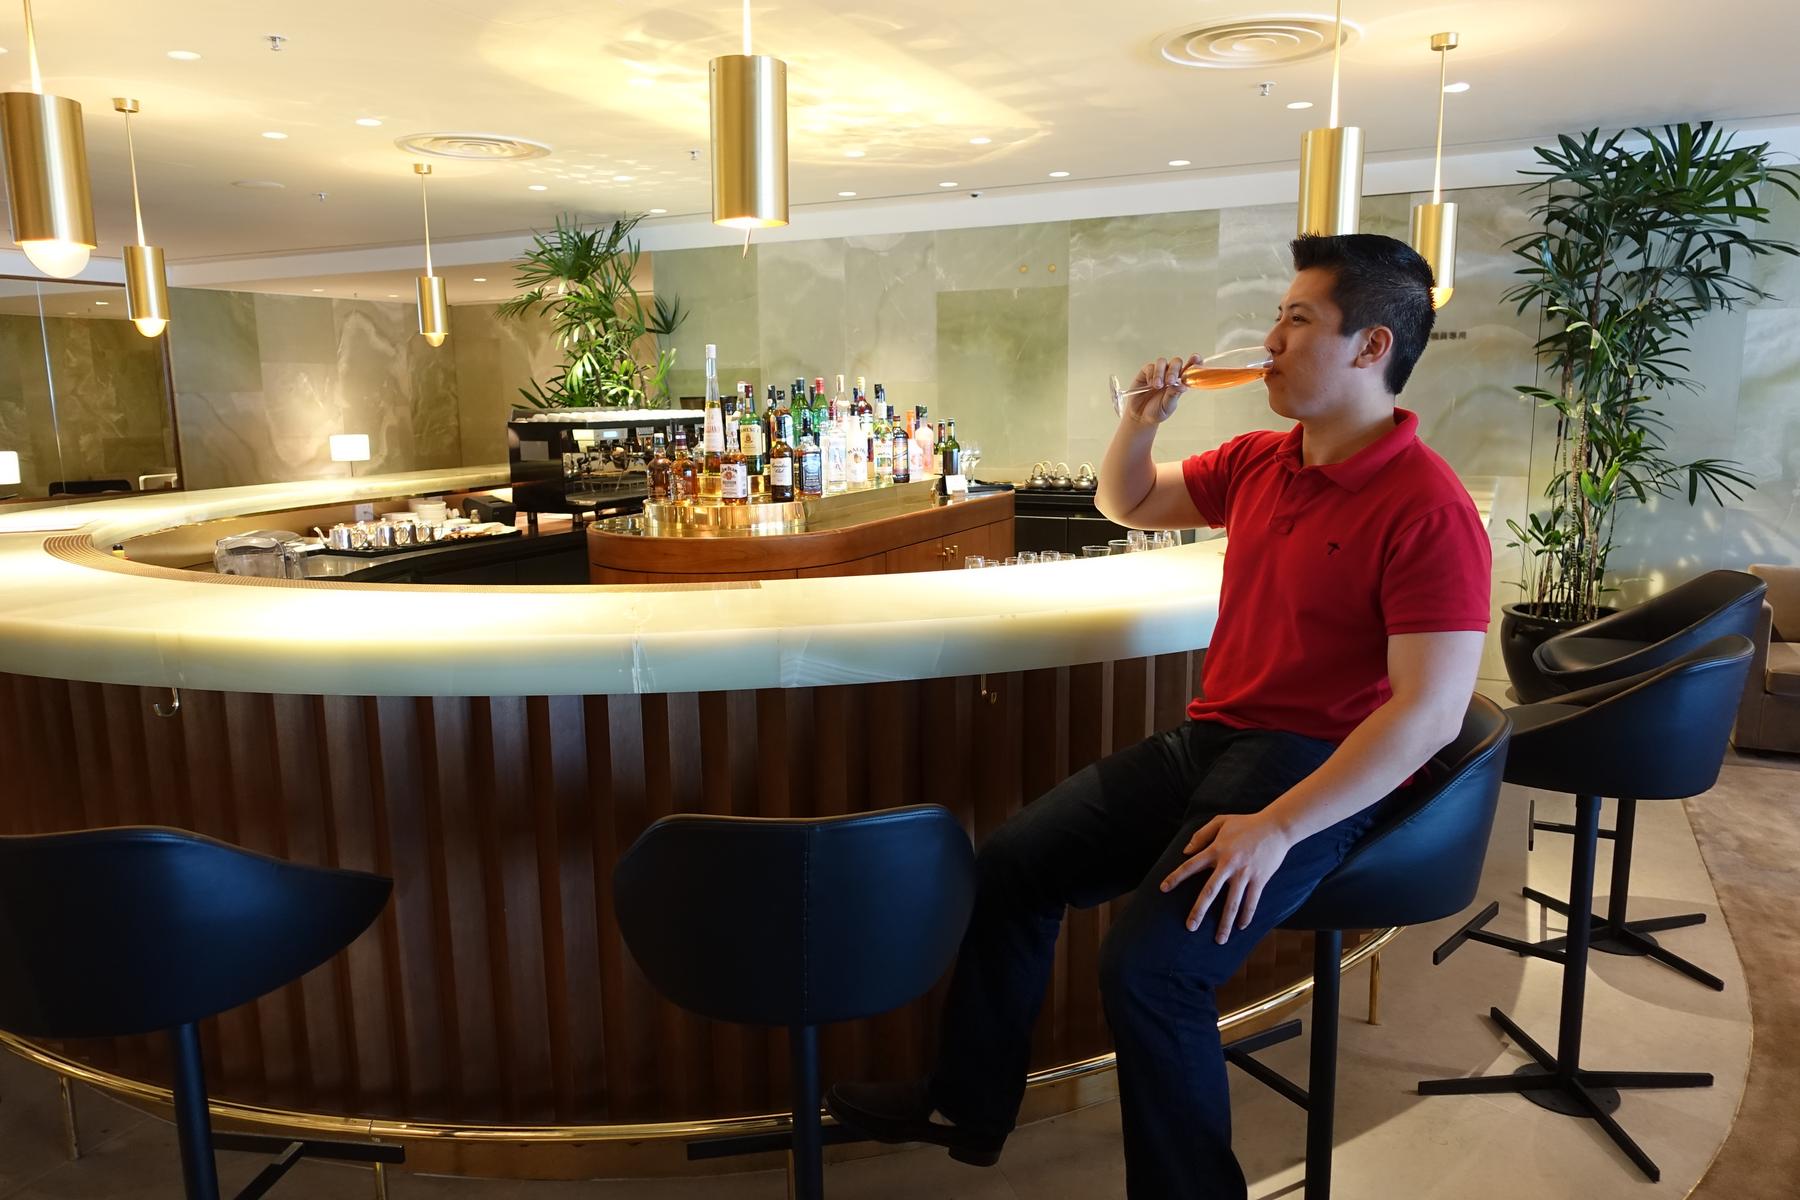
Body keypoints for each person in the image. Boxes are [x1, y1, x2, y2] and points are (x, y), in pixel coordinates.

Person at [825, 233, 1492, 1199]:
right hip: (1214, 738)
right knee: (1012, 864)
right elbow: (1126, 500)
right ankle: (968, 1106)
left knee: (1150, 971)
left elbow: (1429, 714)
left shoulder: (1427, 506)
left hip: (1311, 765)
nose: (1270, 339)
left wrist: (1278, 827)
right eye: (1279, 314)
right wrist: (1139, 419)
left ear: (1369, 347)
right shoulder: (1266, 459)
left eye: (1297, 319)